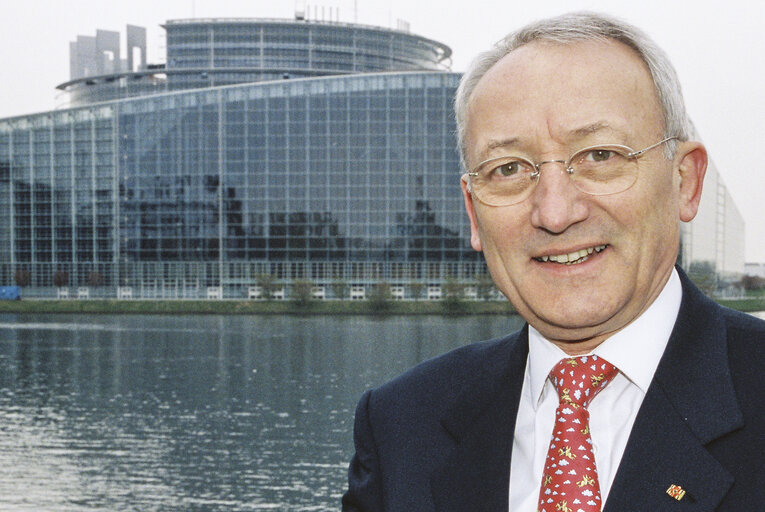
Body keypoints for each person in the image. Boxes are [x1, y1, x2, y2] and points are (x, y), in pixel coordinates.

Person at [342, 11, 765, 512]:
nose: (556, 212)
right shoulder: (401, 424)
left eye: (600, 155)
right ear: (474, 213)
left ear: (685, 182)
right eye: (509, 168)